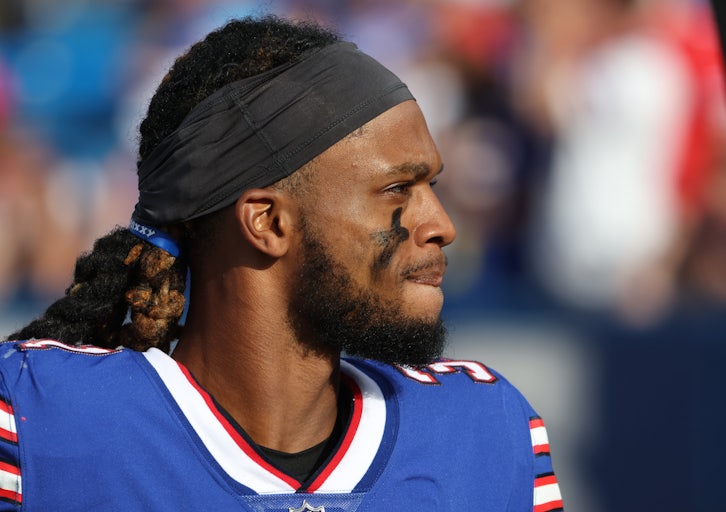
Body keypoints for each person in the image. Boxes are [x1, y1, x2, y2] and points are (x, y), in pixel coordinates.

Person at [0, 15, 563, 511]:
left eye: (431, 185)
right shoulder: (38, 421)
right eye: (397, 188)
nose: (441, 224)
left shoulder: (485, 434)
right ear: (267, 223)